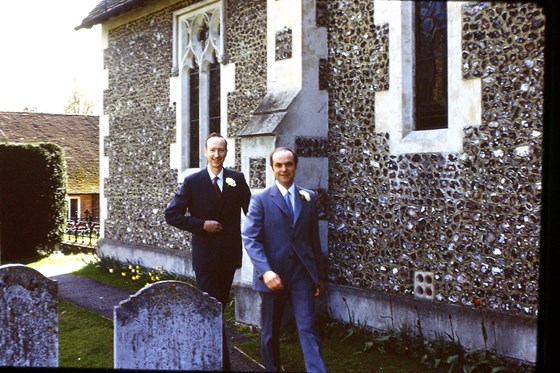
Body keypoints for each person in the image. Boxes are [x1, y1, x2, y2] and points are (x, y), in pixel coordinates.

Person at [164, 132, 251, 371]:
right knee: (213, 309)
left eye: (221, 150)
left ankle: (207, 357)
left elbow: (253, 212)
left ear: (226, 152)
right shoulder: (193, 182)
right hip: (205, 258)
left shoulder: (237, 179)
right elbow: (172, 214)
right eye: (212, 150)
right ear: (205, 152)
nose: (216, 155)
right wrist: (201, 225)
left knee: (217, 308)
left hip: (229, 257)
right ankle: (221, 364)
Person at [242, 147, 327, 372]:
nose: (284, 169)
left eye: (288, 164)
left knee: (308, 328)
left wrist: (318, 276)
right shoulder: (260, 199)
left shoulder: (309, 197)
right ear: (272, 168)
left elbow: (313, 240)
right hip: (273, 275)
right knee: (270, 332)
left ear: (295, 167)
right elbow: (250, 238)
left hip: (302, 276)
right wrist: (265, 271)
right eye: (279, 165)